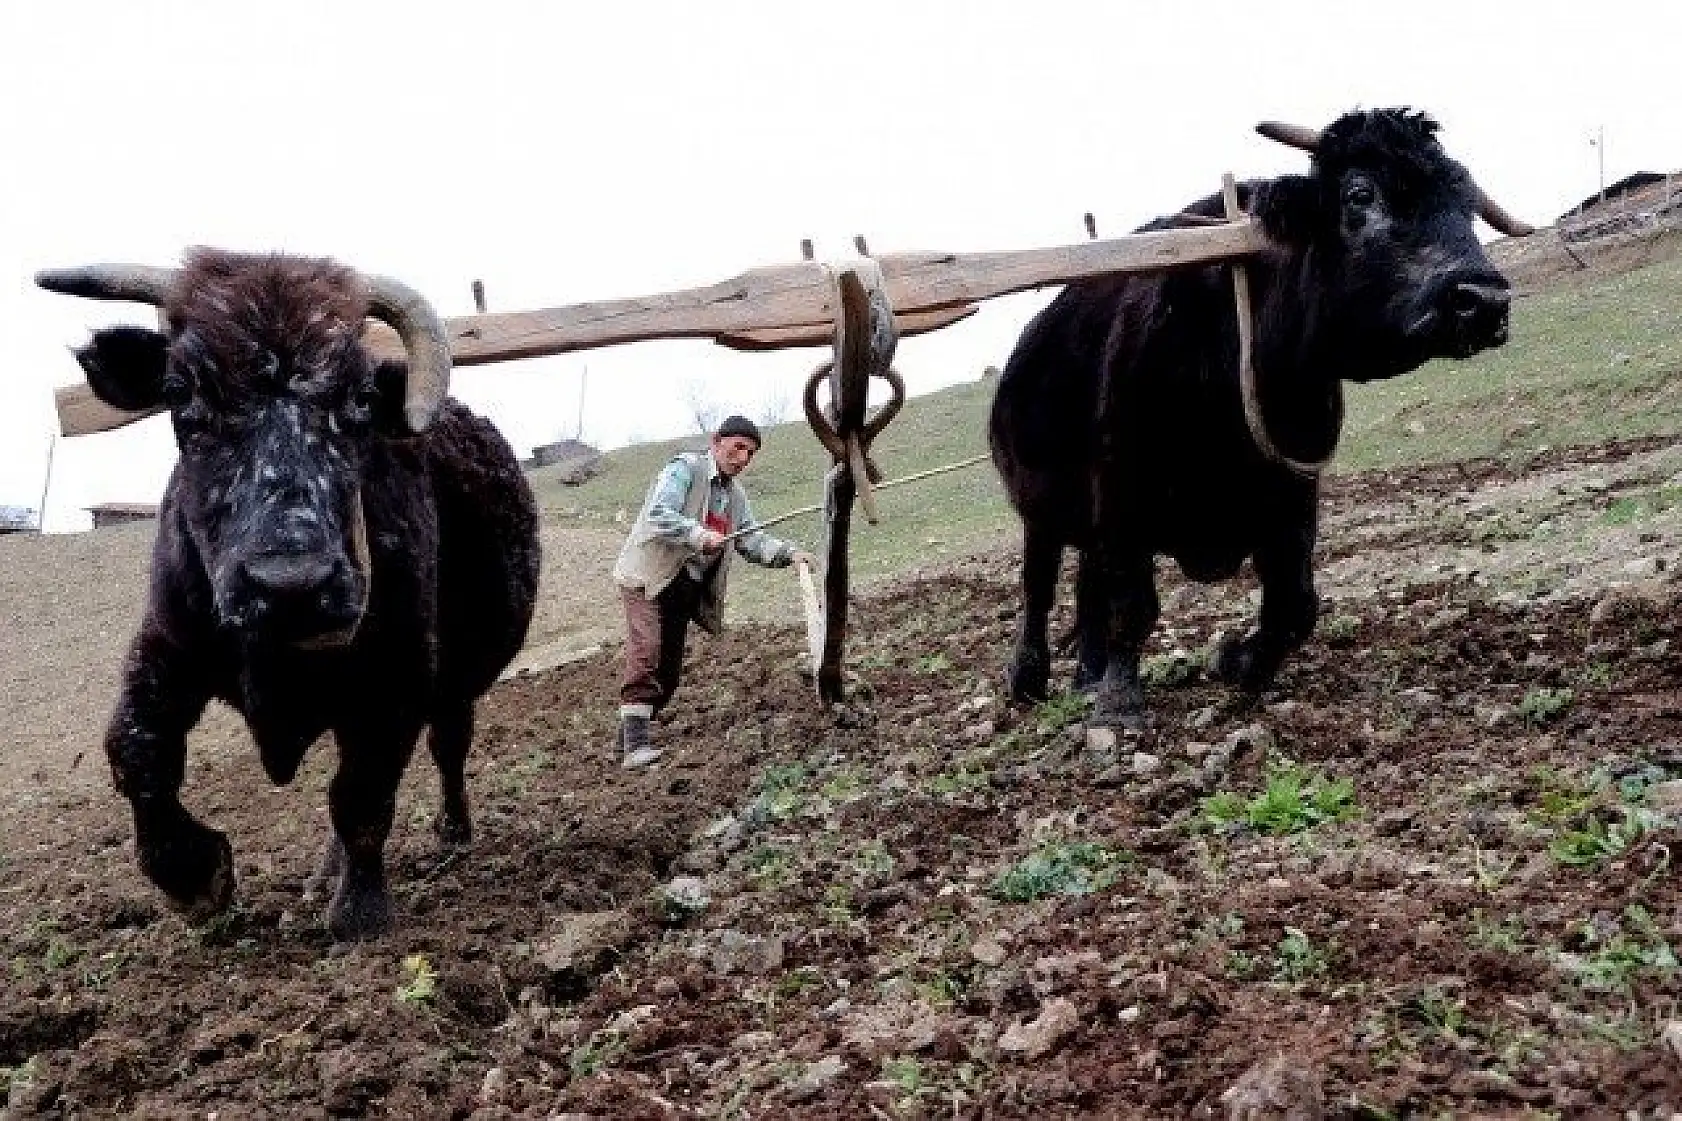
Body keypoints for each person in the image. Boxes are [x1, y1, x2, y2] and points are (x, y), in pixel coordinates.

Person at [611, 415, 815, 768]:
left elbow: (750, 539)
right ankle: (634, 748)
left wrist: (789, 554)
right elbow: (659, 513)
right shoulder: (685, 469)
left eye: (750, 453)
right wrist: (699, 535)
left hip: (682, 588)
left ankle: (628, 734)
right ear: (716, 441)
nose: (743, 458)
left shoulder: (735, 497)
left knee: (668, 675)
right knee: (646, 652)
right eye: (738, 447)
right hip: (647, 575)